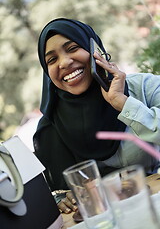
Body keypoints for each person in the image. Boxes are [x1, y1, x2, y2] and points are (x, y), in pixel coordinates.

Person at [33, 18, 160, 214]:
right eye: (52, 59)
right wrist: (62, 199)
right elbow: (56, 193)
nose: (65, 62)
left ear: (96, 49)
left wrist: (123, 103)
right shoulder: (50, 127)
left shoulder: (145, 87)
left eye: (73, 47)